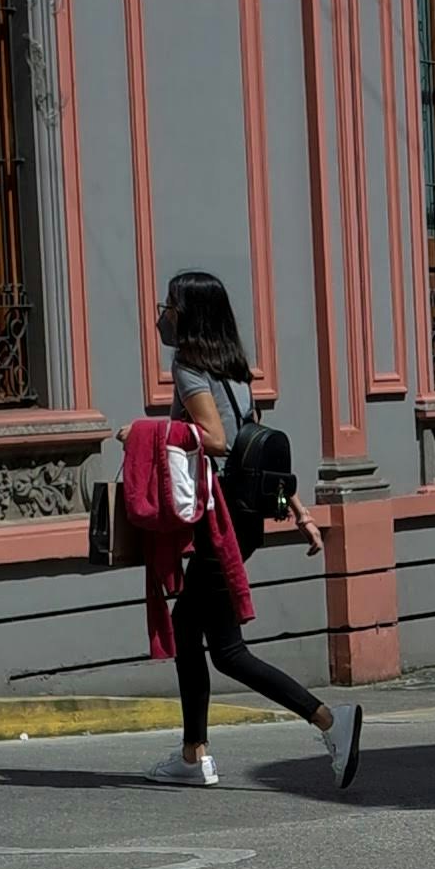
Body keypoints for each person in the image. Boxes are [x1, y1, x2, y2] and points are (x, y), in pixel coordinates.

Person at [150, 270, 363, 791]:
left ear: (189, 314)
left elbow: (218, 441)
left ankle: (328, 721)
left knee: (224, 649)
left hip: (219, 520)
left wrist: (146, 432)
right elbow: (256, 449)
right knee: (192, 631)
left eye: (168, 305)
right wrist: (300, 512)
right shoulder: (236, 371)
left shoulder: (189, 366)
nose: (161, 316)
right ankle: (193, 753)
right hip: (243, 518)